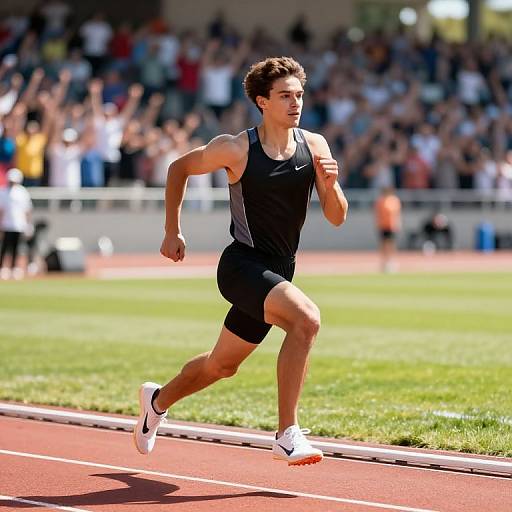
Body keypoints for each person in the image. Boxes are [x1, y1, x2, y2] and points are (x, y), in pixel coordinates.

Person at [134, 56, 348, 466]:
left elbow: (337, 217)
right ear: (262, 101)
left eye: (299, 95)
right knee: (307, 319)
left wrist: (332, 184)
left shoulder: (315, 146)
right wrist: (171, 230)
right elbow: (179, 168)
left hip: (281, 269)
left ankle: (156, 401)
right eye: (285, 96)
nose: (295, 103)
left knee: (221, 366)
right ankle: (287, 434)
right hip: (242, 266)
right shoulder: (236, 148)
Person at [0, 168, 33, 280]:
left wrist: (28, 225)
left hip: (19, 225)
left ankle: (14, 268)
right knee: (4, 248)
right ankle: (3, 268)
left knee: (15, 248)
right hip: (6, 225)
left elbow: (27, 210)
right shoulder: (3, 191)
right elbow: (1, 210)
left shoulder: (23, 192)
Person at [374, 186, 401, 273]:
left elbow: (397, 214)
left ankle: (391, 261)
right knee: (383, 244)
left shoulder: (394, 200)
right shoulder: (380, 201)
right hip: (383, 225)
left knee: (391, 244)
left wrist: (398, 224)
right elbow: (378, 214)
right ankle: (384, 262)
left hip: (392, 226)